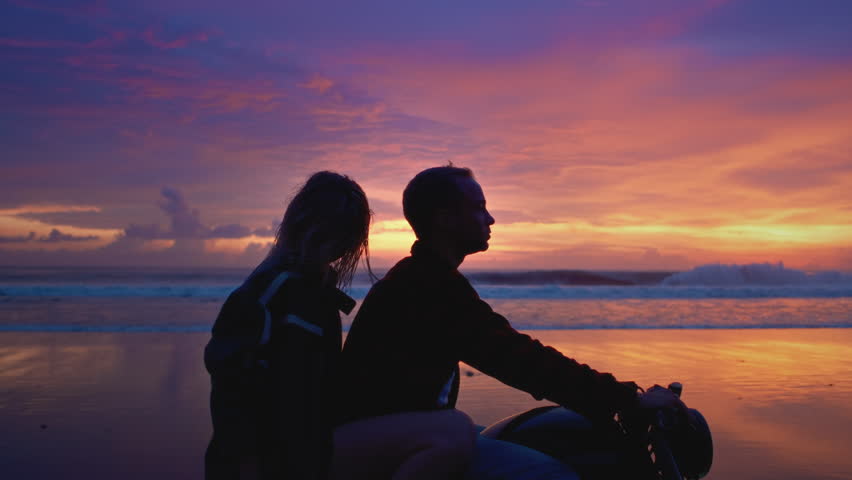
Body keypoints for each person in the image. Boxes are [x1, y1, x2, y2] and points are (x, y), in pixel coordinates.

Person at [337, 165, 686, 479]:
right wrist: (626, 399)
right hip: (382, 443)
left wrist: (615, 397)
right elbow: (518, 359)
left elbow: (510, 351)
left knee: (531, 440)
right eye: (478, 207)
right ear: (444, 218)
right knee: (553, 474)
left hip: (406, 433)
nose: (490, 219)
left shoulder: (425, 277)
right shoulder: (426, 285)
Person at [204, 171, 474, 480]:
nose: (341, 243)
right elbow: (233, 387)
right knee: (452, 433)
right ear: (305, 224)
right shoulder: (276, 293)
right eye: (336, 229)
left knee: (454, 430)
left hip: (305, 448)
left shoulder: (312, 294)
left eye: (348, 232)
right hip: (278, 460)